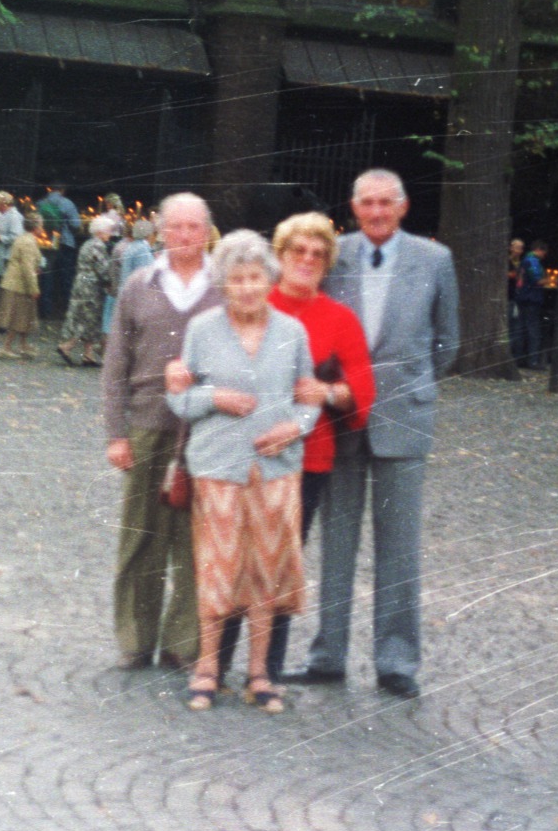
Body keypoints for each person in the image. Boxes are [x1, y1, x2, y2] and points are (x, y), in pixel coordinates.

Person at [289, 169, 459, 700]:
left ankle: (397, 660)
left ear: (403, 207)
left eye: (387, 202)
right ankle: (327, 655)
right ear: (354, 207)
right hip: (340, 421)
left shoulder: (435, 260)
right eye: (367, 203)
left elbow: (447, 341)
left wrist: (407, 386)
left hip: (404, 419)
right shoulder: (334, 254)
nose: (377, 212)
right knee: (336, 544)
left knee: (400, 547)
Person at [207, 211, 376, 685]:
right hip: (237, 453)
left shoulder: (340, 320)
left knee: (278, 564)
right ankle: (215, 663)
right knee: (231, 555)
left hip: (306, 460)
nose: (307, 259)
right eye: (297, 251)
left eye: (318, 255)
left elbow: (362, 389)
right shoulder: (252, 302)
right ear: (279, 257)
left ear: (327, 265)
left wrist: (328, 393)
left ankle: (266, 669)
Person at [163, 230, 322, 713]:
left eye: (256, 278)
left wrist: (294, 428)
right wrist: (215, 397)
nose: (248, 288)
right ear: (224, 284)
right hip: (217, 467)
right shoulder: (202, 330)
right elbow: (178, 398)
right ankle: (207, 670)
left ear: (268, 281)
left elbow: (309, 399)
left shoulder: (292, 332)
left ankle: (259, 675)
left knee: (265, 571)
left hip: (276, 469)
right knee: (216, 569)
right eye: (238, 280)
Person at [101, 192, 224, 672]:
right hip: (148, 425)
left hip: (205, 430)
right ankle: (136, 637)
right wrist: (117, 433)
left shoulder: (224, 287)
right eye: (175, 227)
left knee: (196, 542)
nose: (184, 236)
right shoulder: (139, 285)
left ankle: (183, 642)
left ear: (207, 230)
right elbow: (114, 367)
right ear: (161, 231)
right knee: (140, 537)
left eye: (194, 227)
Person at [57, 215, 115, 366]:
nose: (110, 234)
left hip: (81, 282)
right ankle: (67, 346)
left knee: (88, 318)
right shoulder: (98, 246)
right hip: (91, 286)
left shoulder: (87, 244)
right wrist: (110, 282)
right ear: (100, 232)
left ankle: (88, 355)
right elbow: (102, 269)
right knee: (87, 317)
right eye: (109, 231)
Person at [0, 213, 44, 359]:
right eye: (41, 225)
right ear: (35, 227)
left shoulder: (25, 239)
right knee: (17, 317)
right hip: (18, 285)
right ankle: (6, 347)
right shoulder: (28, 242)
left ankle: (23, 344)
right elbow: (27, 267)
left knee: (25, 315)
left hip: (17, 283)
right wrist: (34, 289)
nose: (43, 228)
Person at [37, 183, 80, 318]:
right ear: (62, 190)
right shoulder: (68, 203)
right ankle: (66, 311)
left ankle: (45, 311)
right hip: (64, 244)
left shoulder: (41, 203)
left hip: (46, 244)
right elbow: (76, 224)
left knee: (46, 277)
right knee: (66, 278)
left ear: (49, 189)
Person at [513, 239, 548, 369]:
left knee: (520, 328)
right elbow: (537, 280)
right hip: (531, 299)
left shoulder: (524, 260)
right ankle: (533, 360)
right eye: (544, 252)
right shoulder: (532, 261)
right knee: (533, 330)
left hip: (522, 297)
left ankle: (518, 357)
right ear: (539, 249)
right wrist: (548, 280)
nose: (544, 255)